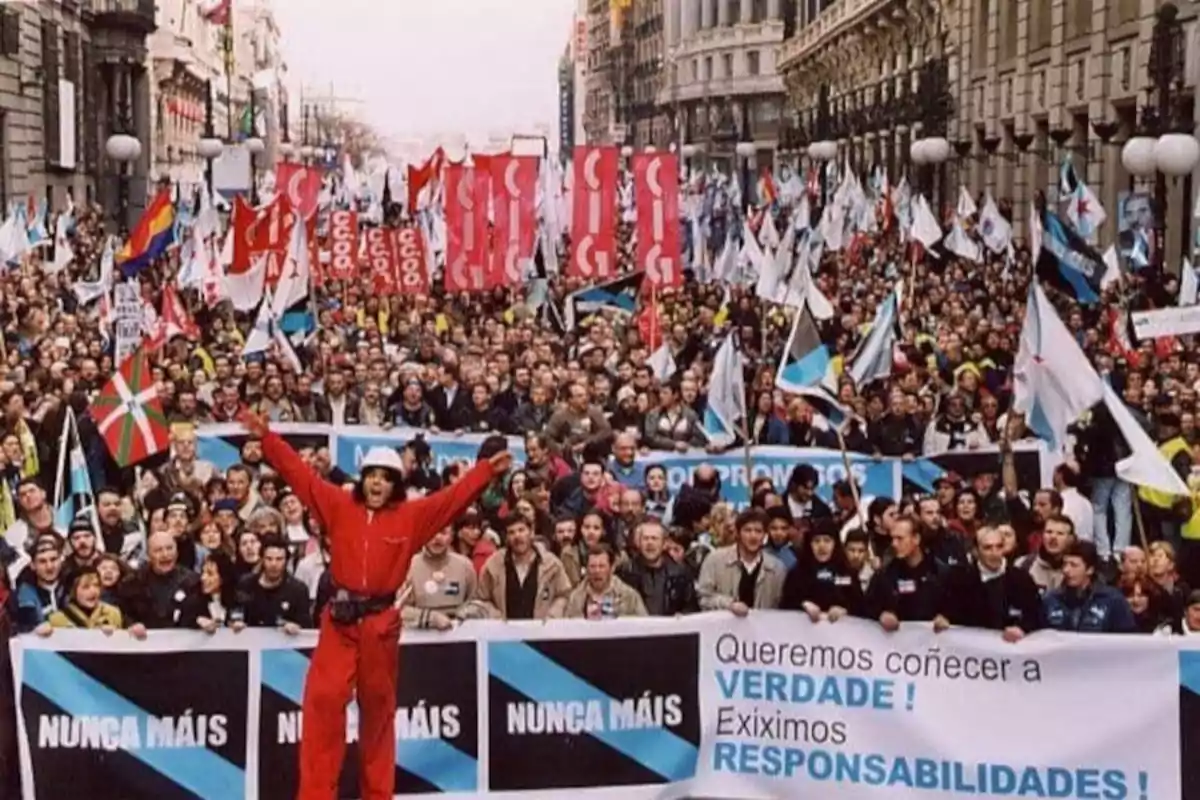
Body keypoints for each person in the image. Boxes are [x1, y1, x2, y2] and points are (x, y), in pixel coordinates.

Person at [242, 410, 510, 800]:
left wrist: (485, 471)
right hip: (340, 623)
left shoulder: (412, 517)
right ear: (362, 478)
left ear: (395, 484)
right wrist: (268, 439)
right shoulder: (337, 505)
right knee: (321, 704)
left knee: (378, 718)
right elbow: (300, 477)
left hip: (381, 626)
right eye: (372, 476)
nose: (377, 484)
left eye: (385, 478)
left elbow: (452, 500)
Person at [1042, 540, 1137, 634]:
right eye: (1064, 564)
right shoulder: (1051, 599)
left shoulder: (1113, 600)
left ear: (1090, 570)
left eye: (1073, 565)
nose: (1066, 570)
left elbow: (1127, 639)